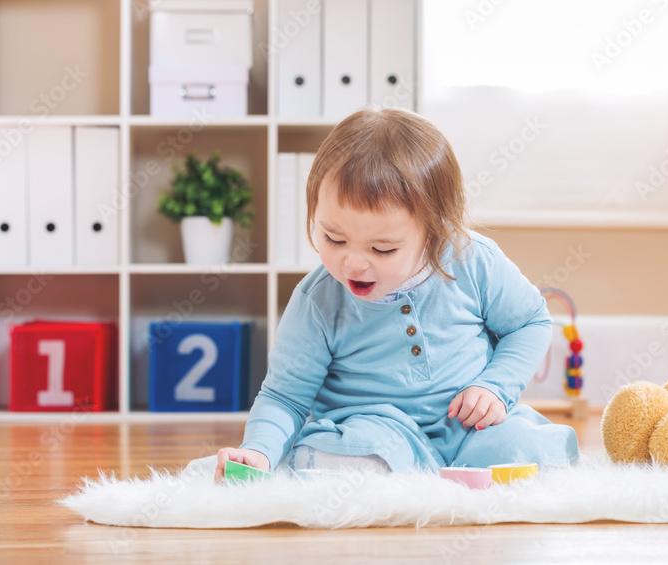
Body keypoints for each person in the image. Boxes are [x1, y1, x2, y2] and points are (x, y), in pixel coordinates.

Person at [214, 107, 579, 481]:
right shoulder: (317, 302)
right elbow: (284, 397)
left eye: (383, 249)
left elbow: (530, 323)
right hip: (377, 434)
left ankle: (467, 470)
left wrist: (495, 387)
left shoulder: (472, 260)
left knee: (529, 450)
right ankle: (418, 475)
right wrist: (257, 452)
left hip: (472, 427)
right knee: (351, 457)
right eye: (333, 238)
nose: (353, 264)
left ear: (434, 231)